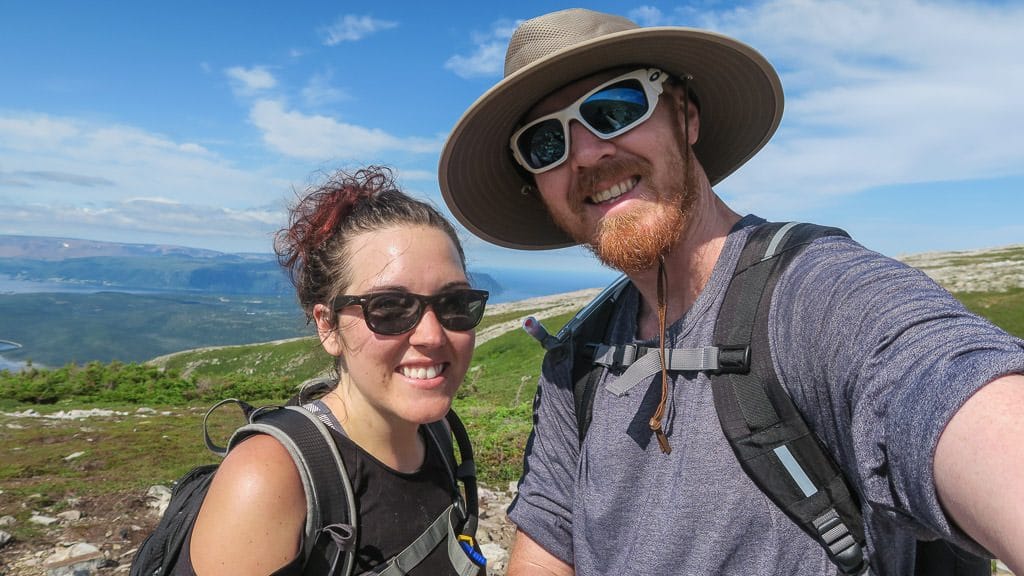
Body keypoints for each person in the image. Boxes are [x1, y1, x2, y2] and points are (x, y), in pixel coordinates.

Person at [438, 8, 1024, 576]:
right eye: (546, 143)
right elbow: (546, 547)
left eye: (614, 109)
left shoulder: (819, 298)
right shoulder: (577, 362)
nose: (587, 152)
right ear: (538, 184)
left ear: (686, 117)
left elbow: (949, 388)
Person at [183, 166, 489, 575]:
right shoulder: (270, 478)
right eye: (389, 308)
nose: (433, 336)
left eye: (455, 304)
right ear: (328, 326)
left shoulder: (435, 433)